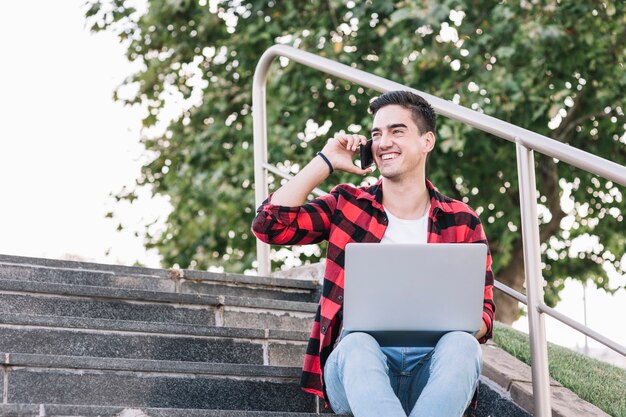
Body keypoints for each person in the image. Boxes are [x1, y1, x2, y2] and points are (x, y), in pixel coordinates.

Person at [252, 91, 495, 417]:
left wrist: (441, 322)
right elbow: (270, 224)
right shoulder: (346, 204)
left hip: (431, 373)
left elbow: (484, 318)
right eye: (376, 134)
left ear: (427, 141)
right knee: (357, 342)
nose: (382, 142)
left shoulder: (461, 220)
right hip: (357, 372)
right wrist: (325, 162)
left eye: (397, 131)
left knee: (463, 345)